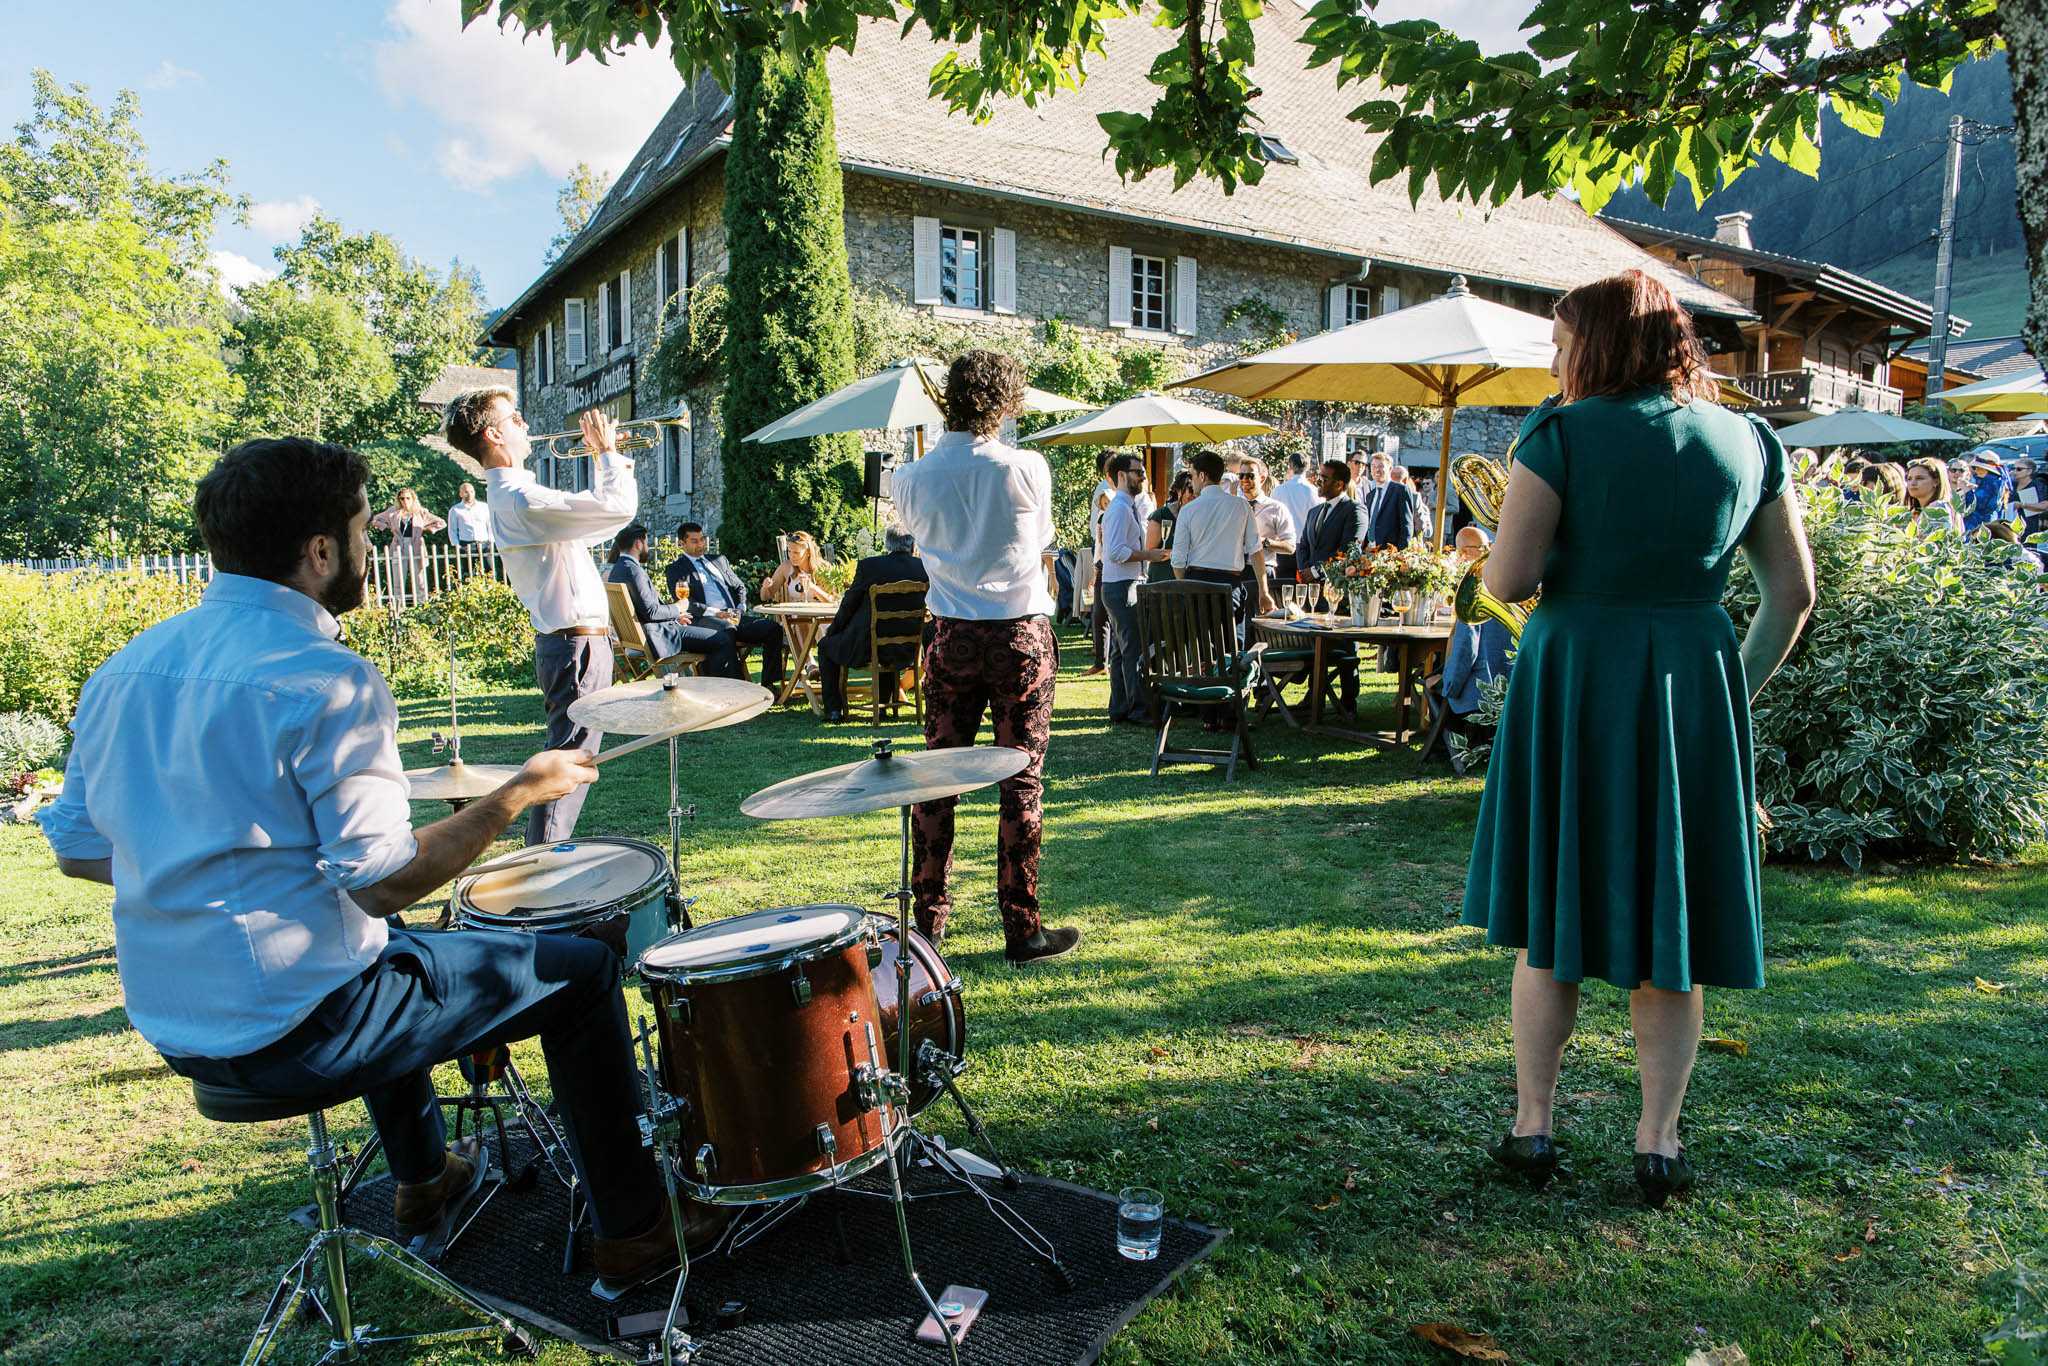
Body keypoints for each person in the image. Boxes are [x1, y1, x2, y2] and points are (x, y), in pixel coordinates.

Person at [38, 437, 717, 1287]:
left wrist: (196, 869)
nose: (371, 549)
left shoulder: (123, 670)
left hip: (176, 1023)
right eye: (363, 533)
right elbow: (383, 877)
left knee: (389, 943)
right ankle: (637, 1228)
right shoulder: (325, 678)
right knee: (579, 972)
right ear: (319, 552)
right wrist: (512, 795)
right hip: (293, 1029)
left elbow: (77, 849)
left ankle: (424, 1180)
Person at [1462, 269, 1815, 1206]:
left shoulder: (1560, 432)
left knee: (1552, 918)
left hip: (1577, 676)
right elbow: (1794, 594)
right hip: (1693, 683)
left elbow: (1510, 578)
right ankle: (1658, 1142)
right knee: (1675, 926)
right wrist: (1721, 699)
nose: (1552, 357)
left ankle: (1533, 1127)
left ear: (1599, 345)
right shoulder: (1750, 438)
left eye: (1560, 340)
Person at [889, 350, 1081, 968]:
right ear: (1005, 402)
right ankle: (1022, 929)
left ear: (948, 399)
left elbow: (918, 539)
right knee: (1020, 781)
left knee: (938, 781)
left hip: (951, 637)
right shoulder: (1026, 466)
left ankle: (927, 928)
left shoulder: (911, 477)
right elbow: (1042, 539)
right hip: (1020, 637)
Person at [448, 391, 630, 846]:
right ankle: (540, 872)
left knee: (571, 764)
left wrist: (609, 460)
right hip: (574, 646)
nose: (526, 425)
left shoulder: (516, 495)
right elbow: (617, 509)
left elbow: (604, 524)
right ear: (493, 434)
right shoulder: (519, 498)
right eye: (516, 418)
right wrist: (606, 454)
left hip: (576, 643)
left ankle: (542, 866)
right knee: (567, 767)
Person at [818, 524, 929, 721]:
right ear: (913, 544)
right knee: (886, 639)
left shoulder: (870, 566)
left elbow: (849, 604)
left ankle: (834, 710)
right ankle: (883, 706)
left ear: (887, 543)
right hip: (908, 649)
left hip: (868, 647)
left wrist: (833, 631)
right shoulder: (924, 568)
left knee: (826, 646)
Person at [606, 522, 738, 676]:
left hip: (644, 634)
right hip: (658, 636)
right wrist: (678, 608)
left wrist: (675, 617)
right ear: (638, 543)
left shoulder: (618, 570)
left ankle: (709, 686)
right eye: (646, 542)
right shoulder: (634, 571)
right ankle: (727, 690)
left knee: (713, 635)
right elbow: (651, 612)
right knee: (720, 639)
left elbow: (644, 610)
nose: (647, 547)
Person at [666, 522, 787, 688]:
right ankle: (735, 686)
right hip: (706, 618)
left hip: (734, 615)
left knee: (772, 628)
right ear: (682, 543)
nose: (701, 544)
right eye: (694, 541)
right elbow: (686, 603)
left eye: (702, 539)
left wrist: (740, 608)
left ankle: (769, 684)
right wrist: (716, 613)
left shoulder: (719, 560)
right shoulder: (676, 569)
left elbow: (739, 587)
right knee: (726, 628)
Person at [1171, 449, 1275, 632]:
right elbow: (1256, 551)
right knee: (1231, 649)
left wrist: (1185, 587)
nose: (1192, 480)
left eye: (1193, 475)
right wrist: (1263, 591)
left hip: (1196, 583)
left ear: (1202, 476)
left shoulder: (1188, 510)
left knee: (1199, 651)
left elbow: (1178, 559)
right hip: (1230, 584)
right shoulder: (1242, 506)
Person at [1100, 452, 1167, 725]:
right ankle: (1139, 710)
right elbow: (1115, 552)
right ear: (1121, 476)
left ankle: (1119, 708)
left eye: (1142, 472)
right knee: (1133, 651)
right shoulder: (1118, 508)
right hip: (1122, 586)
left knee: (1119, 651)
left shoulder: (1127, 507)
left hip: (1120, 584)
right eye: (1137, 472)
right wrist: (1150, 556)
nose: (1142, 476)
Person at [1293, 459, 1363, 714]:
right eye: (1318, 476)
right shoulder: (1315, 511)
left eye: (1323, 477)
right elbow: (1302, 544)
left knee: (1344, 644)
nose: (1317, 480)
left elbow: (1349, 550)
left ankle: (1348, 699)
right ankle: (1314, 695)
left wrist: (1315, 570)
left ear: (1340, 484)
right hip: (1313, 589)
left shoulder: (1354, 510)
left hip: (1338, 588)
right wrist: (1304, 571)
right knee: (1315, 643)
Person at [1439, 526, 1512, 717]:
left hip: (1477, 698)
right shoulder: (1511, 584)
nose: (1486, 552)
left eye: (1487, 546)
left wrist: (1446, 687)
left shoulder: (1473, 591)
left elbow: (1466, 648)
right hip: (1511, 693)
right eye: (1482, 547)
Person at [370, 487, 445, 606]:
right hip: (398, 545)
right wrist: (387, 527)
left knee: (419, 579)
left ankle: (422, 606)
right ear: (399, 500)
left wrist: (426, 529)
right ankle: (398, 608)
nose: (405, 501)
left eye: (408, 498)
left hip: (416, 545)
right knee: (398, 578)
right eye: (402, 499)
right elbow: (375, 519)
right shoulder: (393, 512)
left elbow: (441, 523)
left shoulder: (421, 512)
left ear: (413, 498)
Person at [1237, 455, 1295, 607]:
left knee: (1260, 623)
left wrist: (1265, 542)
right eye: (1241, 475)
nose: (1244, 480)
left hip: (1263, 573)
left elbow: (1290, 547)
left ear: (1262, 478)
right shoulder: (1233, 506)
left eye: (1250, 476)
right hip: (1235, 570)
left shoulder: (1277, 508)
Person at [1271, 450, 1321, 582]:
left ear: (1290, 466)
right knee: (1303, 587)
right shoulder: (1314, 491)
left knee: (1283, 586)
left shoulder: (1279, 490)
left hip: (1284, 544)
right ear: (1308, 467)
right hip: (1306, 545)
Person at [1359, 452, 1418, 549]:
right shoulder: (1370, 495)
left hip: (1389, 553)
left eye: (1381, 466)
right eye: (1373, 466)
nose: (1377, 470)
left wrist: (1399, 554)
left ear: (1390, 469)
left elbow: (1407, 526)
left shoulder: (1400, 490)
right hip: (1369, 549)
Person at [1145, 471, 1196, 584]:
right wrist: (1176, 553)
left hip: (1190, 582)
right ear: (1178, 491)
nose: (1195, 495)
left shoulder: (1200, 517)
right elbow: (1149, 553)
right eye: (1191, 490)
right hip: (1162, 580)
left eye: (1198, 491)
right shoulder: (1161, 515)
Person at [761, 530, 836, 605]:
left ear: (808, 552)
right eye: (789, 551)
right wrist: (765, 588)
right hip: (795, 615)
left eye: (796, 552)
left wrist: (813, 588)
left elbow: (834, 601)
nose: (791, 556)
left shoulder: (823, 568)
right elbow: (765, 597)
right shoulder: (786, 567)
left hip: (820, 615)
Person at [1904, 457, 1964, 537]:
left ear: (1936, 481)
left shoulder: (1938, 507)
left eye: (1919, 478)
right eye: (1909, 479)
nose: (1913, 483)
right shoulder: (1919, 510)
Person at [1960, 454, 2013, 536]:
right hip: (1990, 524)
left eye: (1977, 468)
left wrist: (1967, 490)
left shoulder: (1990, 481)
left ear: (1985, 469)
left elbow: (1977, 504)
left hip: (1979, 525)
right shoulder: (1996, 481)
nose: (1976, 471)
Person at [446, 481, 493, 568]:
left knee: (489, 572)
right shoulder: (455, 510)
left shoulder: (484, 507)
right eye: (466, 492)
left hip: (485, 544)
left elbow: (490, 525)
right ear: (461, 494)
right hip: (466, 546)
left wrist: (491, 542)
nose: (470, 494)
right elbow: (452, 530)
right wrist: (457, 546)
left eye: (472, 491)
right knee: (469, 573)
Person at [1393, 465, 1433, 544]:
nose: (1425, 485)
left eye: (1427, 483)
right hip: (1410, 542)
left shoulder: (1414, 497)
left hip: (1407, 542)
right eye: (1423, 483)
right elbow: (1420, 526)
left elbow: (1421, 526)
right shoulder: (1414, 497)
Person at [2013, 458, 2048, 538]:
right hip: (2009, 525)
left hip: (2029, 526)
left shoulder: (2038, 486)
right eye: (2014, 468)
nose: (2015, 472)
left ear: (2029, 471)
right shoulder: (2011, 485)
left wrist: (2022, 505)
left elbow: (2044, 506)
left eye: (2019, 469)